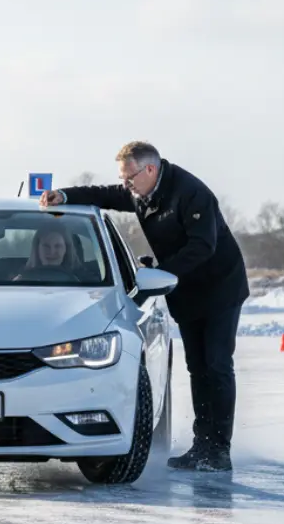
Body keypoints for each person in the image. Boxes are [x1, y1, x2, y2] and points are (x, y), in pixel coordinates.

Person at [40, 141, 249, 471]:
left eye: (129, 178)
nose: (126, 185)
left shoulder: (192, 193)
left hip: (220, 288)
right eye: (123, 179)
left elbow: (203, 245)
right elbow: (105, 194)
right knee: (197, 367)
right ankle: (202, 444)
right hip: (185, 289)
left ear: (150, 169)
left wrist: (161, 271)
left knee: (218, 364)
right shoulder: (141, 191)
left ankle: (219, 449)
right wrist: (63, 195)